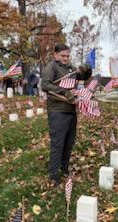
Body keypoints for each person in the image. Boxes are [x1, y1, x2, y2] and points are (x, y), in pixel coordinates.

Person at [41, 44, 78, 186]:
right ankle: (54, 174)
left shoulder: (71, 69)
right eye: (63, 56)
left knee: (69, 142)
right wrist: (64, 91)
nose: (66, 58)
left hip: (71, 110)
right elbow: (45, 85)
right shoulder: (51, 67)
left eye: (68, 56)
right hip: (58, 111)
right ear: (55, 55)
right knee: (58, 143)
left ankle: (64, 167)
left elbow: (77, 85)